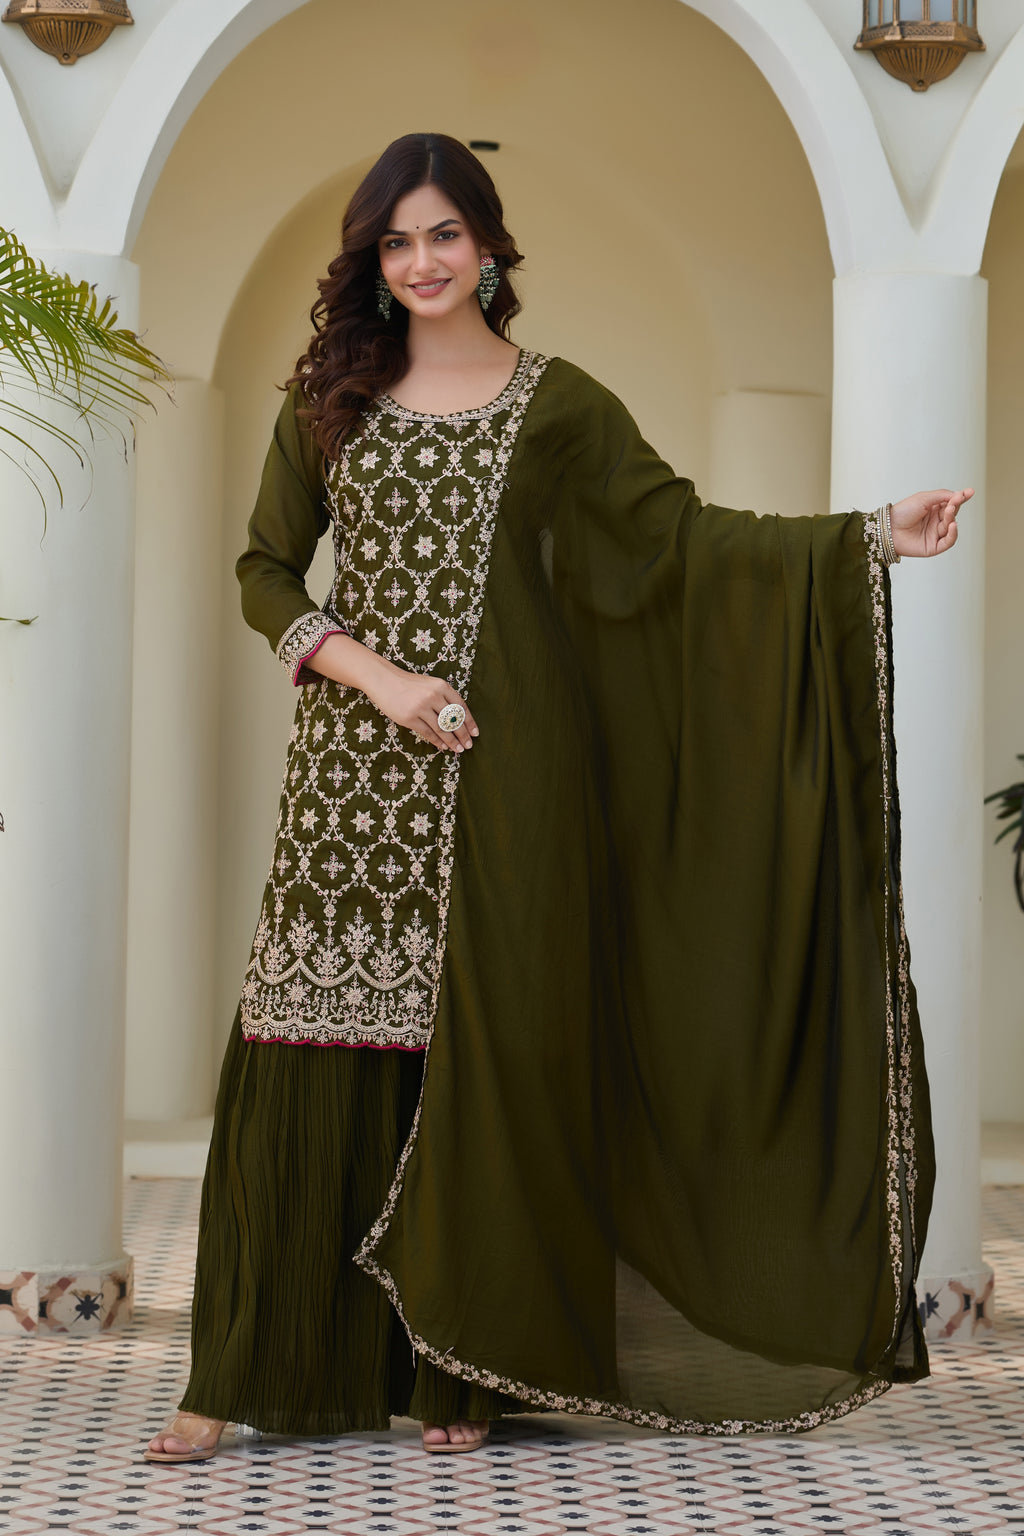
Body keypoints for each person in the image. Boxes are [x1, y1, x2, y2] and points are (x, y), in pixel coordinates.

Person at [145, 132, 971, 1463]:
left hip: (508, 798)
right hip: (352, 790)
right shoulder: (329, 400)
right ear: (370, 258)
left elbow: (682, 544)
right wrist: (380, 680)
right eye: (395, 241)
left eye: (444, 235)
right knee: (306, 1060)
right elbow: (264, 574)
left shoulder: (560, 404)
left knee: (488, 1068)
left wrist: (871, 536)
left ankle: (463, 1373)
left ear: (489, 245)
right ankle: (238, 1369)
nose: (420, 261)